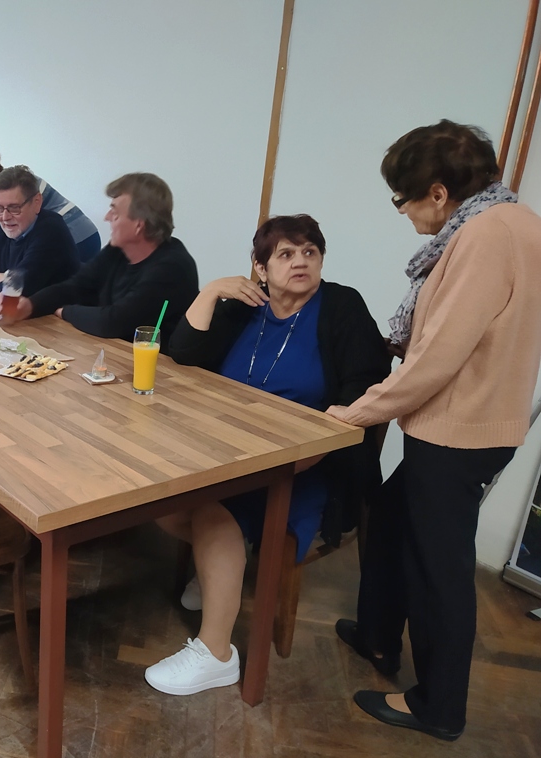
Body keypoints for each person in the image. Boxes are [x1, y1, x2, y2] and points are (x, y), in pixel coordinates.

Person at [327, 120, 541, 741]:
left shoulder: (484, 236)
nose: (403, 212)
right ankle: (377, 635)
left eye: (403, 199)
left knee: (438, 573)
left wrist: (357, 411)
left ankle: (438, 707)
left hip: (459, 429)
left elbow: (438, 356)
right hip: (477, 423)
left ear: (439, 193)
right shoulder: (518, 222)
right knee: (392, 522)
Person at [142, 214, 391, 698]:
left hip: (307, 465)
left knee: (211, 513)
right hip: (226, 451)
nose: (301, 262)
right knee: (158, 498)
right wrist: (212, 291)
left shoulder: (341, 306)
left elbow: (367, 387)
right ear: (260, 268)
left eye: (310, 252)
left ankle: (216, 653)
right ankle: (219, 568)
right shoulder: (245, 307)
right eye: (286, 254)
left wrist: (313, 443)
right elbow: (184, 353)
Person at [0, 173, 197, 341]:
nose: (107, 217)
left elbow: (113, 322)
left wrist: (64, 311)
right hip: (113, 354)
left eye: (115, 212)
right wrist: (30, 305)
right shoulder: (118, 251)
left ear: (139, 225)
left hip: (161, 370)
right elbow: (76, 286)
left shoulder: (171, 267)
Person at [0, 143, 101, 263]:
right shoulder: (18, 182)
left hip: (76, 239)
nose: (5, 214)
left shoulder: (20, 185)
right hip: (85, 235)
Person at [0, 165, 78, 296]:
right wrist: (0, 277)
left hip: (60, 308)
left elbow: (18, 289)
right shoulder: (2, 230)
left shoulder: (51, 230)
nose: (5, 217)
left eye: (14, 208)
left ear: (37, 202)